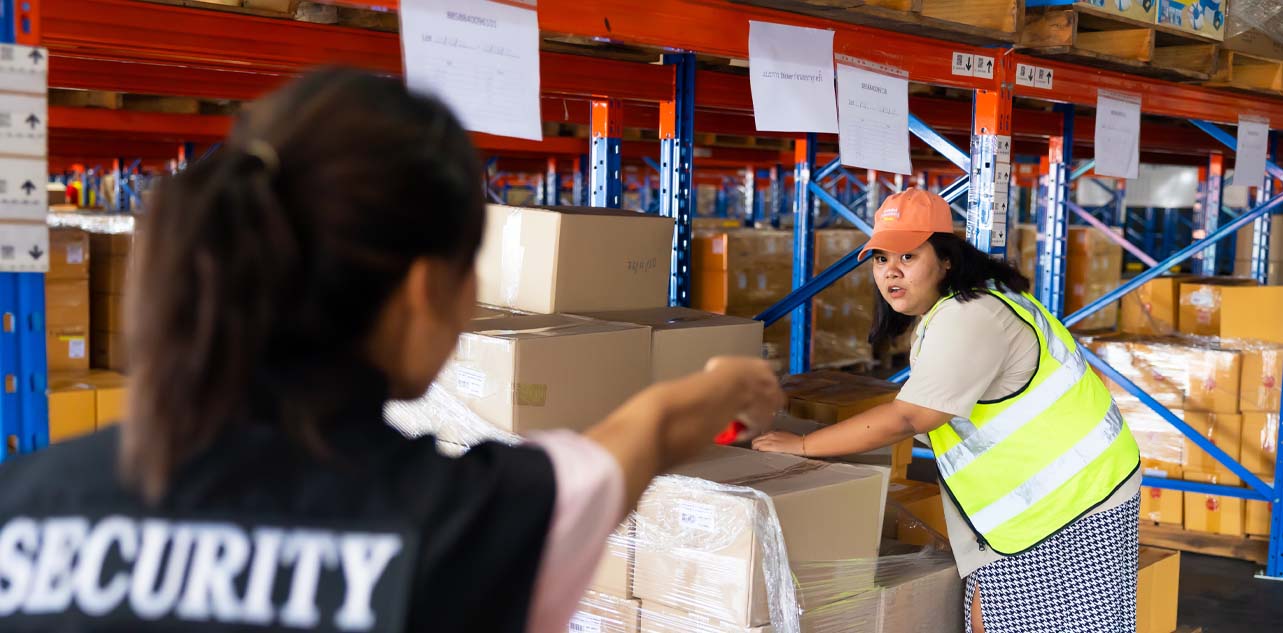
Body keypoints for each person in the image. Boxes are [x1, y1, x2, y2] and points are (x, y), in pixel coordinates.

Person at [0, 69, 784, 633]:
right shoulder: (462, 529)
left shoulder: (25, 507)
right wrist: (726, 384)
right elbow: (637, 439)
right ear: (421, 290)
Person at [754, 188, 1141, 633]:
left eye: (908, 256)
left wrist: (804, 445)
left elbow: (911, 416)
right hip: (1039, 501)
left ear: (946, 259)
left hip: (1073, 500)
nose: (891, 271)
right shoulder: (966, 305)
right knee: (987, 615)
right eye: (880, 259)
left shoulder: (972, 315)